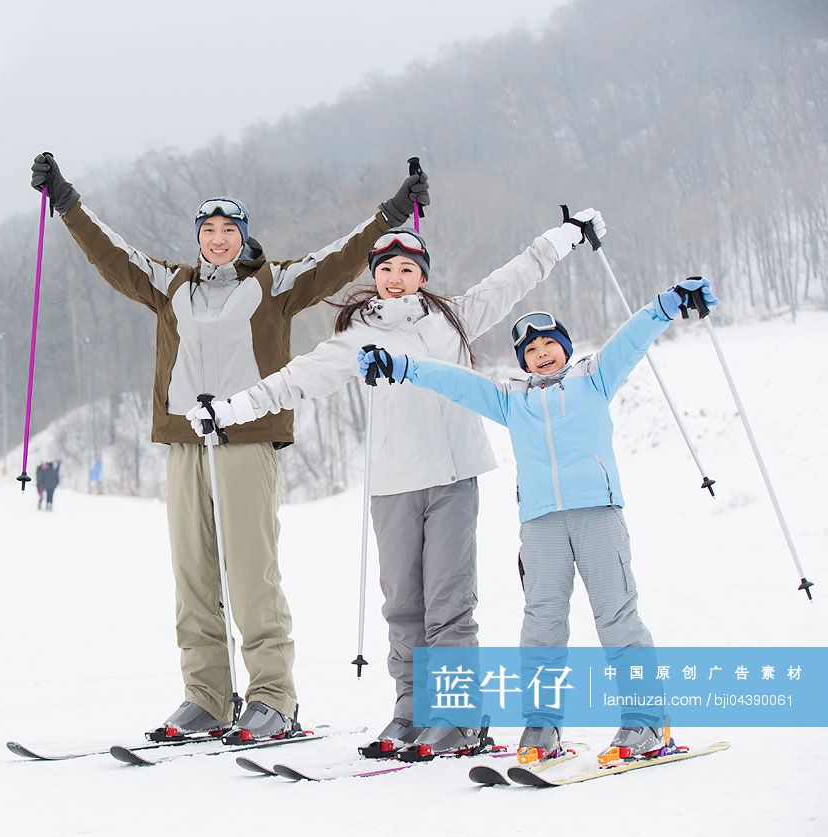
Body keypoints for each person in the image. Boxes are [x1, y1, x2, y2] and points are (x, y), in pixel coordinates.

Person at [31, 150, 430, 741]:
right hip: (184, 442)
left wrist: (393, 211)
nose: (218, 240)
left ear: (244, 236)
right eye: (209, 231)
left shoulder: (276, 283)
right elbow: (111, 254)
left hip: (246, 440)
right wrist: (66, 201)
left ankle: (273, 696)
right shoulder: (170, 283)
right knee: (192, 575)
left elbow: (343, 258)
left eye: (230, 231)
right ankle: (207, 696)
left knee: (250, 573)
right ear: (198, 238)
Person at [194, 209, 605, 756]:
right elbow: (297, 380)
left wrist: (568, 234)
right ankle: (412, 710)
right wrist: (230, 409)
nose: (396, 277)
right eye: (386, 267)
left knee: (448, 603)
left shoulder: (456, 317)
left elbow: (516, 274)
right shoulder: (356, 336)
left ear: (424, 278)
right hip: (393, 484)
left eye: (408, 268)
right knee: (403, 606)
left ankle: (459, 716)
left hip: (455, 476)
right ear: (374, 276)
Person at [360, 277, 719, 766]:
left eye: (550, 343)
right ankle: (542, 723)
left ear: (566, 348)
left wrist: (663, 306)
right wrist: (403, 367)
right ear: (522, 360)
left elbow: (631, 341)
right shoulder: (512, 399)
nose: (542, 352)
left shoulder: (594, 378)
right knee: (542, 625)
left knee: (616, 617)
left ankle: (646, 721)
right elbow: (456, 381)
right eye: (531, 349)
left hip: (597, 515)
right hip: (541, 526)